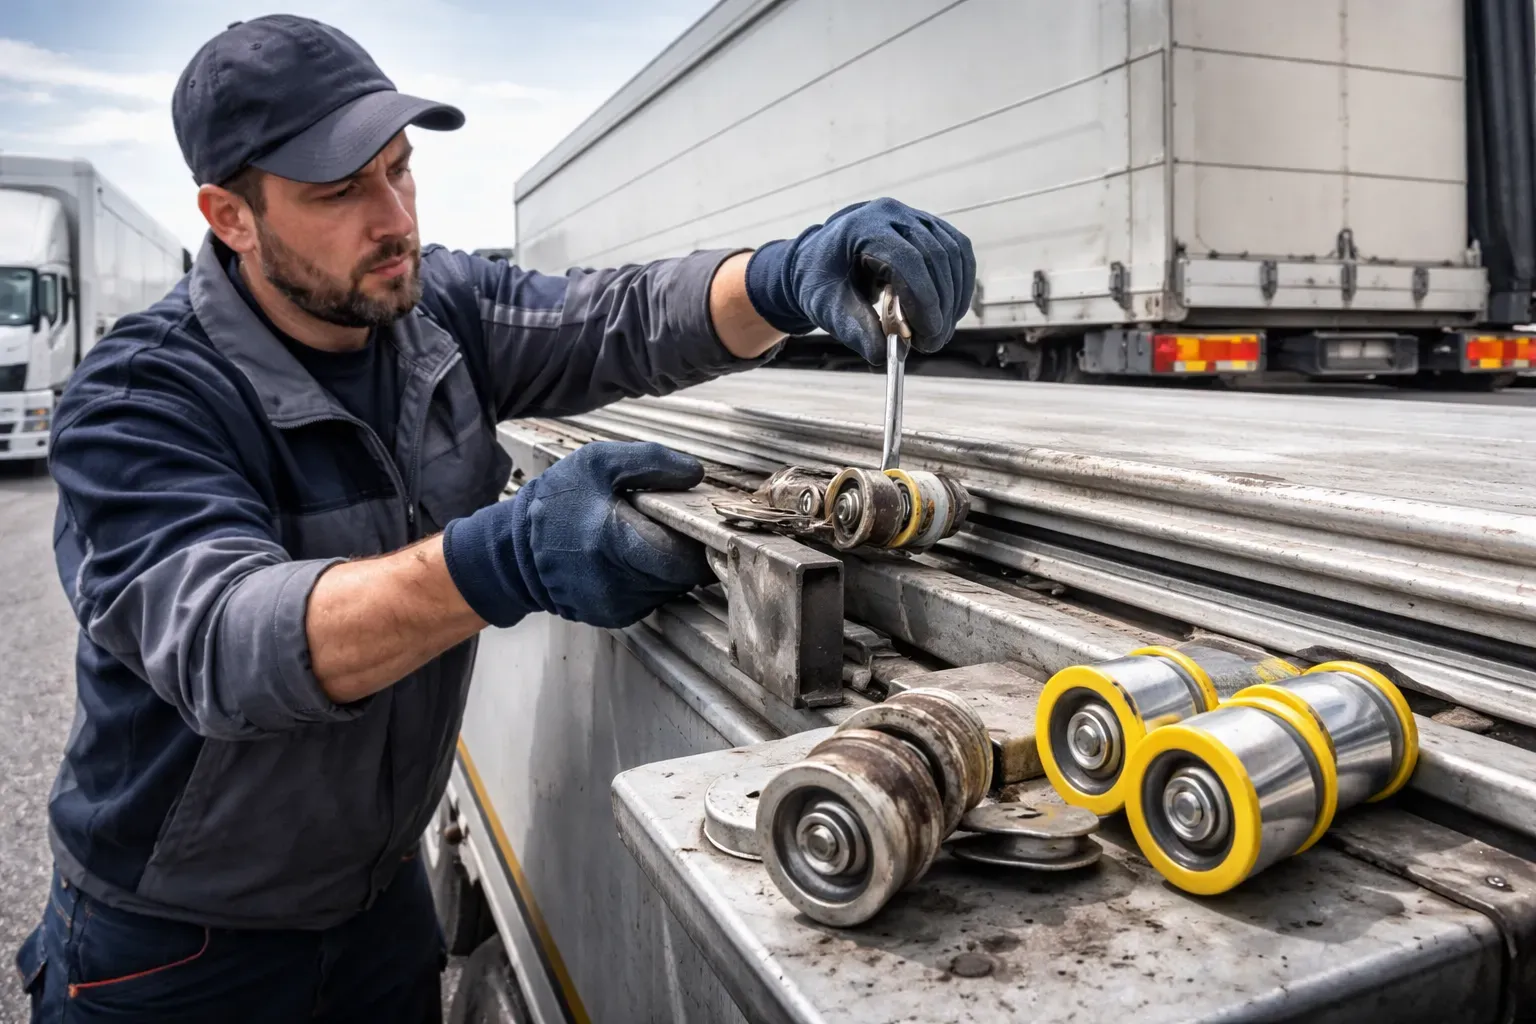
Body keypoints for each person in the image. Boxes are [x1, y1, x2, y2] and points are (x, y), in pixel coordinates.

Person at [12, 14, 975, 1023]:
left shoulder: (431, 314)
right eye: (339, 191)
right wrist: (501, 560)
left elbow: (624, 316)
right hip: (181, 952)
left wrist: (787, 276)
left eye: (399, 169)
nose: (392, 216)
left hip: (378, 909)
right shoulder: (141, 397)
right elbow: (226, 639)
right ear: (231, 216)